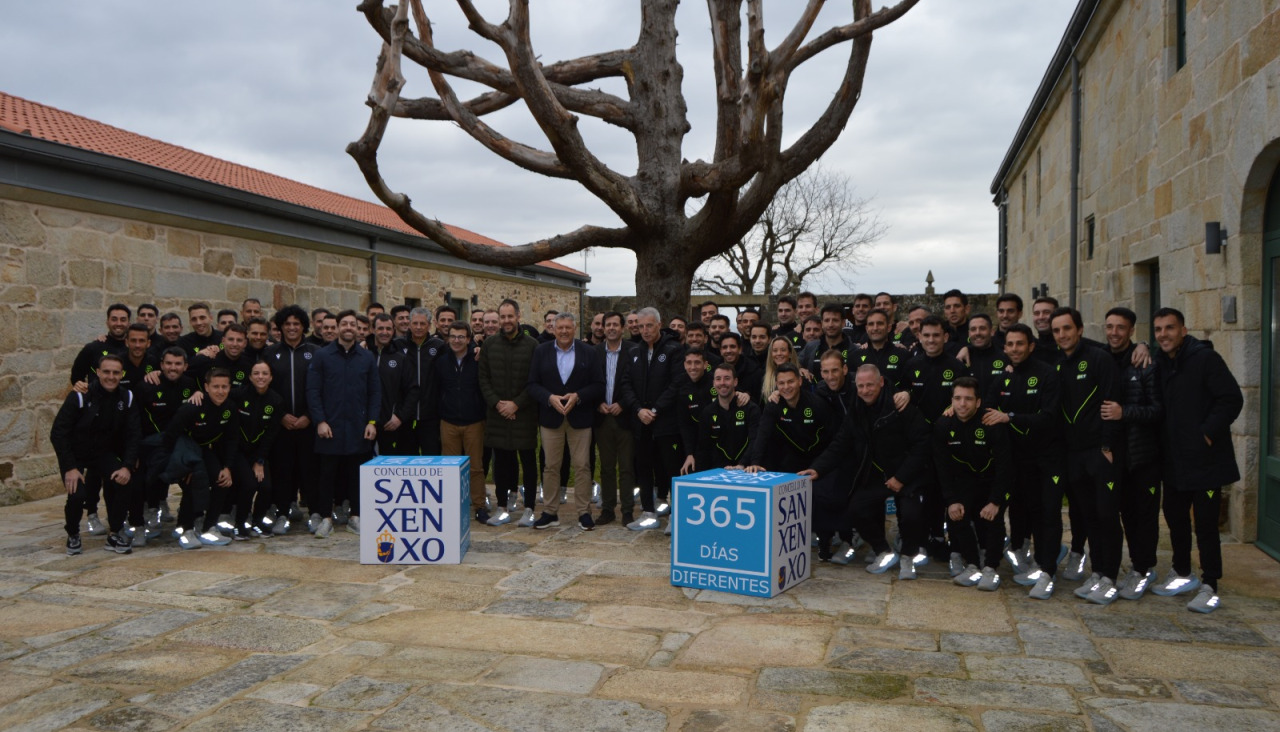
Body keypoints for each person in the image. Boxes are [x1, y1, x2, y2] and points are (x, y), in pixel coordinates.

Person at [1150, 307, 1243, 613]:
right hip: (1174, 461)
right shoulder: (1161, 361)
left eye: (1169, 328)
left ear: (1183, 330)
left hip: (1205, 460)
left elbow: (1231, 399)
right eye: (1159, 329)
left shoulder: (1205, 359)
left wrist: (1206, 433)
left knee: (1205, 526)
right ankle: (1182, 573)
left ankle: (1210, 584)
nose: (1164, 334)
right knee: (1175, 519)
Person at [805, 363, 931, 575]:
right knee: (856, 508)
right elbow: (840, 443)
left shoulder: (900, 405)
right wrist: (817, 469)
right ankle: (883, 551)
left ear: (881, 382)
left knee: (911, 515)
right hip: (876, 476)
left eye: (870, 385)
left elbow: (922, 445)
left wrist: (901, 477)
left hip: (908, 476)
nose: (865, 391)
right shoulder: (856, 409)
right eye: (860, 386)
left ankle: (909, 556)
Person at [981, 323, 1065, 599]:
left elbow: (1049, 418)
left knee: (1048, 514)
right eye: (1010, 345)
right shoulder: (1003, 377)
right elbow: (987, 410)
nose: (1014, 349)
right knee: (1023, 511)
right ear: (1004, 348)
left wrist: (1011, 417)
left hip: (1048, 458)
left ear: (1030, 346)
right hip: (1017, 459)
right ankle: (1035, 561)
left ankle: (1048, 573)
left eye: (1020, 344)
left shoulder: (1047, 375)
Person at [1051, 306, 1123, 605]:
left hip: (1099, 453)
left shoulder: (1099, 358)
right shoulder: (1058, 365)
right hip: (1073, 456)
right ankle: (1098, 571)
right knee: (1088, 516)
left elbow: (1112, 402)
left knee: (1107, 516)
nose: (1062, 335)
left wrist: (1106, 446)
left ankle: (1110, 578)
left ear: (1079, 329)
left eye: (1067, 328)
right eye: (1056, 330)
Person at [1101, 307, 1165, 601]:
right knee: (1123, 513)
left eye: (1121, 328)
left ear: (1131, 331)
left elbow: (1157, 410)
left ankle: (1143, 569)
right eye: (1110, 326)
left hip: (1143, 456)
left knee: (1144, 516)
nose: (1114, 332)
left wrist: (1124, 412)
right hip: (1115, 456)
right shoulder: (1101, 358)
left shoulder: (1145, 364)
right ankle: (1136, 567)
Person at [50, 353, 140, 556]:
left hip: (102, 452)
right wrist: (70, 467)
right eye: (106, 372)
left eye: (116, 373)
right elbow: (58, 433)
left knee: (124, 482)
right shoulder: (80, 395)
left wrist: (127, 465)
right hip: (75, 455)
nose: (111, 376)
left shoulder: (126, 397)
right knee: (77, 493)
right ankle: (73, 534)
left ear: (122, 374)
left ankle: (115, 532)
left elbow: (133, 434)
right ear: (97, 373)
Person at [933, 377, 1013, 591]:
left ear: (978, 402)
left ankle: (991, 569)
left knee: (992, 517)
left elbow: (1005, 467)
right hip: (965, 480)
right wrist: (951, 500)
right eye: (957, 398)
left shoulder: (991, 423)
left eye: (968, 399)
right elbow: (942, 467)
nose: (962, 404)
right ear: (951, 400)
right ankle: (972, 565)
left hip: (992, 480)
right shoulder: (943, 424)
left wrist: (996, 501)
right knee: (956, 512)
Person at [306, 310, 380, 537]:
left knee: (357, 474)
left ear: (358, 329)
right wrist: (320, 421)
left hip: (359, 427)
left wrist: (372, 422)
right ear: (337, 327)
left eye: (353, 324)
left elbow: (375, 392)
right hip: (330, 427)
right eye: (344, 324)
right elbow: (313, 390)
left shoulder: (366, 357)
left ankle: (355, 517)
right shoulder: (322, 356)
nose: (349, 327)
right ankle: (326, 518)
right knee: (327, 474)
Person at [526, 313, 604, 530]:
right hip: (551, 418)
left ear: (575, 328)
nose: (563, 331)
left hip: (580, 418)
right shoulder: (541, 351)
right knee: (551, 466)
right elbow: (532, 384)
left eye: (568, 327)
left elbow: (599, 385)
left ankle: (583, 512)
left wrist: (578, 396)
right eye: (559, 327)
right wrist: (549, 398)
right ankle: (550, 511)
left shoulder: (588, 352)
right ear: (553, 328)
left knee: (582, 466)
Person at [619, 307, 685, 530]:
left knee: (670, 468)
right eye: (641, 326)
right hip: (641, 422)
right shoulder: (634, 351)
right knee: (644, 467)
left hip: (666, 423)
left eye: (649, 326)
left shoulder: (674, 350)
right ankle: (648, 513)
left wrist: (655, 409)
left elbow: (676, 384)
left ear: (659, 324)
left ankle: (677, 516)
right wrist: (638, 409)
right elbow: (626, 384)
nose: (645, 330)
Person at [161, 368, 239, 549]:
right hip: (184, 451)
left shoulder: (230, 408)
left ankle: (208, 526)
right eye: (216, 386)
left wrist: (227, 467)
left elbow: (232, 439)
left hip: (205, 450)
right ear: (206, 387)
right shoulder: (192, 407)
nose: (220, 391)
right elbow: (170, 437)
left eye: (224, 387)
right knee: (194, 478)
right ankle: (186, 529)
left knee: (222, 480)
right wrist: (179, 466)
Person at [479, 299, 540, 526]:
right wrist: (498, 404)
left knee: (528, 462)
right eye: (502, 317)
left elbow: (535, 380)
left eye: (509, 316)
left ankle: (530, 508)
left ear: (518, 316)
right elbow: (483, 378)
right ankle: (502, 507)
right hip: (497, 415)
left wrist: (516, 404)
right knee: (501, 463)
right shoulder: (489, 345)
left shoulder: (533, 345)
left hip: (523, 414)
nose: (506, 321)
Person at [264, 305, 319, 534]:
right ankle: (283, 514)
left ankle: (316, 513)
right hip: (282, 425)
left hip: (308, 424)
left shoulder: (316, 352)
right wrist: (280, 416)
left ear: (303, 326)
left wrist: (309, 416)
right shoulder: (270, 354)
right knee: (283, 471)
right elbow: (266, 388)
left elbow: (319, 388)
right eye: (288, 324)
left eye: (297, 324)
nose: (292, 328)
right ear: (281, 327)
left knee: (311, 470)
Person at [436, 321, 489, 522]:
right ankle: (450, 505)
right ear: (448, 338)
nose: (456, 341)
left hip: (474, 421)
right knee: (449, 467)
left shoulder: (478, 359)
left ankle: (479, 506)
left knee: (475, 467)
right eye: (453, 336)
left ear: (468, 339)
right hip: (448, 421)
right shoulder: (441, 362)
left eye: (461, 337)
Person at [229, 361, 284, 538]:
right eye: (257, 373)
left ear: (271, 377)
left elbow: (271, 435)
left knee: (266, 486)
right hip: (237, 451)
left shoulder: (276, 400)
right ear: (250, 376)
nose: (261, 377)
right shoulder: (238, 395)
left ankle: (257, 521)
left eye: (265, 374)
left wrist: (260, 460)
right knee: (249, 484)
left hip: (258, 452)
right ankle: (240, 523)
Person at [746, 363, 833, 474]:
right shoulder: (774, 404)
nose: (786, 387)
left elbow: (831, 437)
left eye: (790, 382)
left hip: (818, 458)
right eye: (781, 383)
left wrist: (819, 467)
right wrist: (755, 462)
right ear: (776, 385)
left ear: (799, 381)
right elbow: (762, 435)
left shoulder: (817, 403)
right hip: (791, 460)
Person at [594, 312, 636, 525]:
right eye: (607, 324)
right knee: (607, 467)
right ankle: (608, 508)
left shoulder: (633, 351)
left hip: (625, 418)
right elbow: (590, 383)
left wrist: (624, 404)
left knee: (627, 467)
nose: (611, 328)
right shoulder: (594, 353)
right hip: (603, 418)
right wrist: (597, 403)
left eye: (615, 325)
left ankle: (627, 510)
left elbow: (637, 384)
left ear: (622, 328)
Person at [690, 363, 760, 472]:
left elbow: (755, 441)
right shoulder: (707, 412)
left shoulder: (751, 409)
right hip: (718, 472)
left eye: (727, 378)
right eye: (718, 379)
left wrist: (742, 464)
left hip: (747, 470)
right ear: (713, 383)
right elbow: (703, 449)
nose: (722, 383)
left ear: (735, 382)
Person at [401, 307, 445, 458]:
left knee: (432, 458)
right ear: (409, 324)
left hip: (430, 416)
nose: (418, 327)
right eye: (415, 323)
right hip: (406, 416)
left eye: (422, 323)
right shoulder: (399, 345)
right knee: (408, 460)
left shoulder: (439, 346)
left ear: (429, 325)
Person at [370, 314, 416, 456]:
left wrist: (400, 417)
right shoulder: (363, 355)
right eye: (381, 328)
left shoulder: (400, 358)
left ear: (393, 330)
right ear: (373, 330)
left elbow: (413, 390)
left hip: (390, 424)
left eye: (388, 329)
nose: (385, 332)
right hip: (365, 424)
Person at [70, 303, 131, 386]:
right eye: (114, 319)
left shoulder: (134, 349)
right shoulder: (93, 348)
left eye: (123, 320)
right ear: (107, 322)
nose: (118, 323)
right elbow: (76, 378)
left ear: (129, 323)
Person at [799, 304, 855, 377]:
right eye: (827, 320)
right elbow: (795, 364)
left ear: (843, 323)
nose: (830, 324)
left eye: (835, 320)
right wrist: (799, 369)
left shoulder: (854, 350)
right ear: (822, 323)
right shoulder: (811, 347)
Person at [720, 332, 763, 400]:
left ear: (740, 349)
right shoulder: (715, 370)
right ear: (721, 351)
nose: (728, 350)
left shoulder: (754, 372)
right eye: (725, 347)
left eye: (732, 347)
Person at [761, 336, 802, 401]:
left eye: (783, 350)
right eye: (775, 350)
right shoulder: (765, 377)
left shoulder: (801, 374)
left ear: (790, 353)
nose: (779, 353)